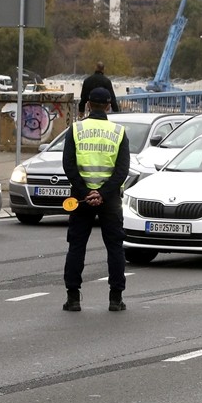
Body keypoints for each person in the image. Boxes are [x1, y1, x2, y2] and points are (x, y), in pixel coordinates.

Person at [62, 86, 131, 313]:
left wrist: (85, 193)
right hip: (109, 199)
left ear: (88, 105)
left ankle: (73, 299)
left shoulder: (76, 129)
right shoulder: (119, 132)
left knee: (77, 246)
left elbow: (69, 166)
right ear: (109, 105)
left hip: (81, 198)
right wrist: (102, 193)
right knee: (114, 247)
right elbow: (122, 171)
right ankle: (115, 298)